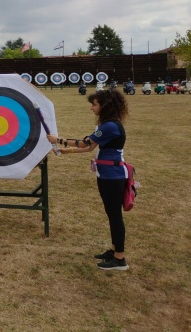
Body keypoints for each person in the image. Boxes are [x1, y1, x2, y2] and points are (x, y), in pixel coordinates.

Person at [47, 89, 130, 271]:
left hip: (113, 176)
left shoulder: (110, 126)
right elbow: (90, 148)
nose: (92, 108)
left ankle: (119, 259)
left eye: (94, 104)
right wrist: (64, 151)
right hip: (106, 174)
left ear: (105, 106)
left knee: (115, 216)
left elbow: (84, 143)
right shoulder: (106, 125)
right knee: (111, 214)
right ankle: (114, 250)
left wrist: (58, 140)